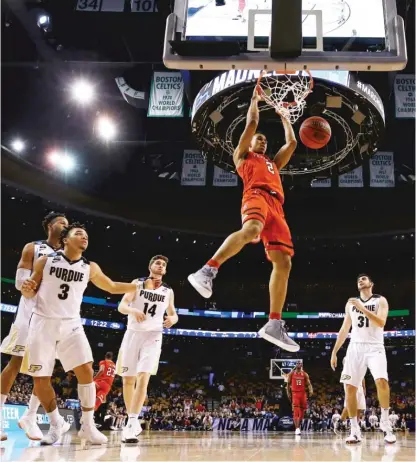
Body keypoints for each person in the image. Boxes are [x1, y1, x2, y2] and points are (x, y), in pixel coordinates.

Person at [188, 86, 299, 352]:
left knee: (284, 262)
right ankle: (207, 270)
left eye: (263, 140)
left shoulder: (273, 164)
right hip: (256, 196)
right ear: (248, 144)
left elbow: (292, 143)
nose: (262, 141)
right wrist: (254, 100)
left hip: (277, 206)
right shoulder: (243, 156)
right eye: (258, 139)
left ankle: (274, 323)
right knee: (251, 230)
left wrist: (285, 116)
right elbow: (252, 122)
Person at [20, 222, 138, 445]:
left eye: (86, 235)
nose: (84, 237)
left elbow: (111, 286)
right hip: (43, 322)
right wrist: (27, 289)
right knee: (40, 379)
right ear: (66, 239)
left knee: (85, 371)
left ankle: (88, 425)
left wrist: (138, 287)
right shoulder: (46, 261)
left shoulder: (89, 266)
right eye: (78, 234)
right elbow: (31, 288)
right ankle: (56, 424)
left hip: (71, 324)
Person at [0, 212, 68, 442]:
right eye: (61, 222)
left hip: (52, 318)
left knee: (44, 370)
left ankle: (30, 415)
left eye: (67, 224)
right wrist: (34, 284)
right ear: (49, 225)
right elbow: (20, 282)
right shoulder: (33, 248)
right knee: (15, 363)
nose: (65, 225)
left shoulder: (69, 258)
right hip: (29, 315)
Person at [116, 255, 178, 443]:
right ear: (150, 266)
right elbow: (122, 306)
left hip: (153, 336)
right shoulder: (137, 283)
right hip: (133, 333)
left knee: (143, 378)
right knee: (128, 380)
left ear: (165, 271)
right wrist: (133, 310)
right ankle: (131, 420)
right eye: (158, 263)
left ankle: (132, 422)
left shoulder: (168, 291)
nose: (161, 266)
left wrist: (172, 320)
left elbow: (174, 314)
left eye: (164, 264)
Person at [330, 274, 396, 444]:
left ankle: (385, 423)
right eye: (358, 279)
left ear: (371, 283)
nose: (360, 280)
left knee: (382, 381)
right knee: (349, 388)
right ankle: (354, 430)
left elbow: (381, 322)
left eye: (364, 279)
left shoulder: (381, 300)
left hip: (375, 347)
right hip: (355, 348)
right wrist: (335, 351)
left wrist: (362, 308)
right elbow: (345, 329)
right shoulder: (350, 303)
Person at [336, 357, 367, 434]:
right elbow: (347, 384)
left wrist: (364, 388)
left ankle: (355, 427)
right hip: (352, 388)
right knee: (349, 406)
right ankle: (339, 422)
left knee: (359, 408)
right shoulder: (345, 372)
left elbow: (362, 378)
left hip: (359, 388)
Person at [286, 361, 313, 435]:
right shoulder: (292, 373)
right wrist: (288, 393)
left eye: (300, 363)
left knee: (302, 412)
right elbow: (288, 384)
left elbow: (309, 383)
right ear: (295, 365)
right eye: (297, 363)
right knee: (296, 411)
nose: (298, 364)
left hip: (303, 394)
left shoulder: (304, 374)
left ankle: (299, 426)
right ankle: (297, 428)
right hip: (295, 394)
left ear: (301, 365)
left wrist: (311, 390)